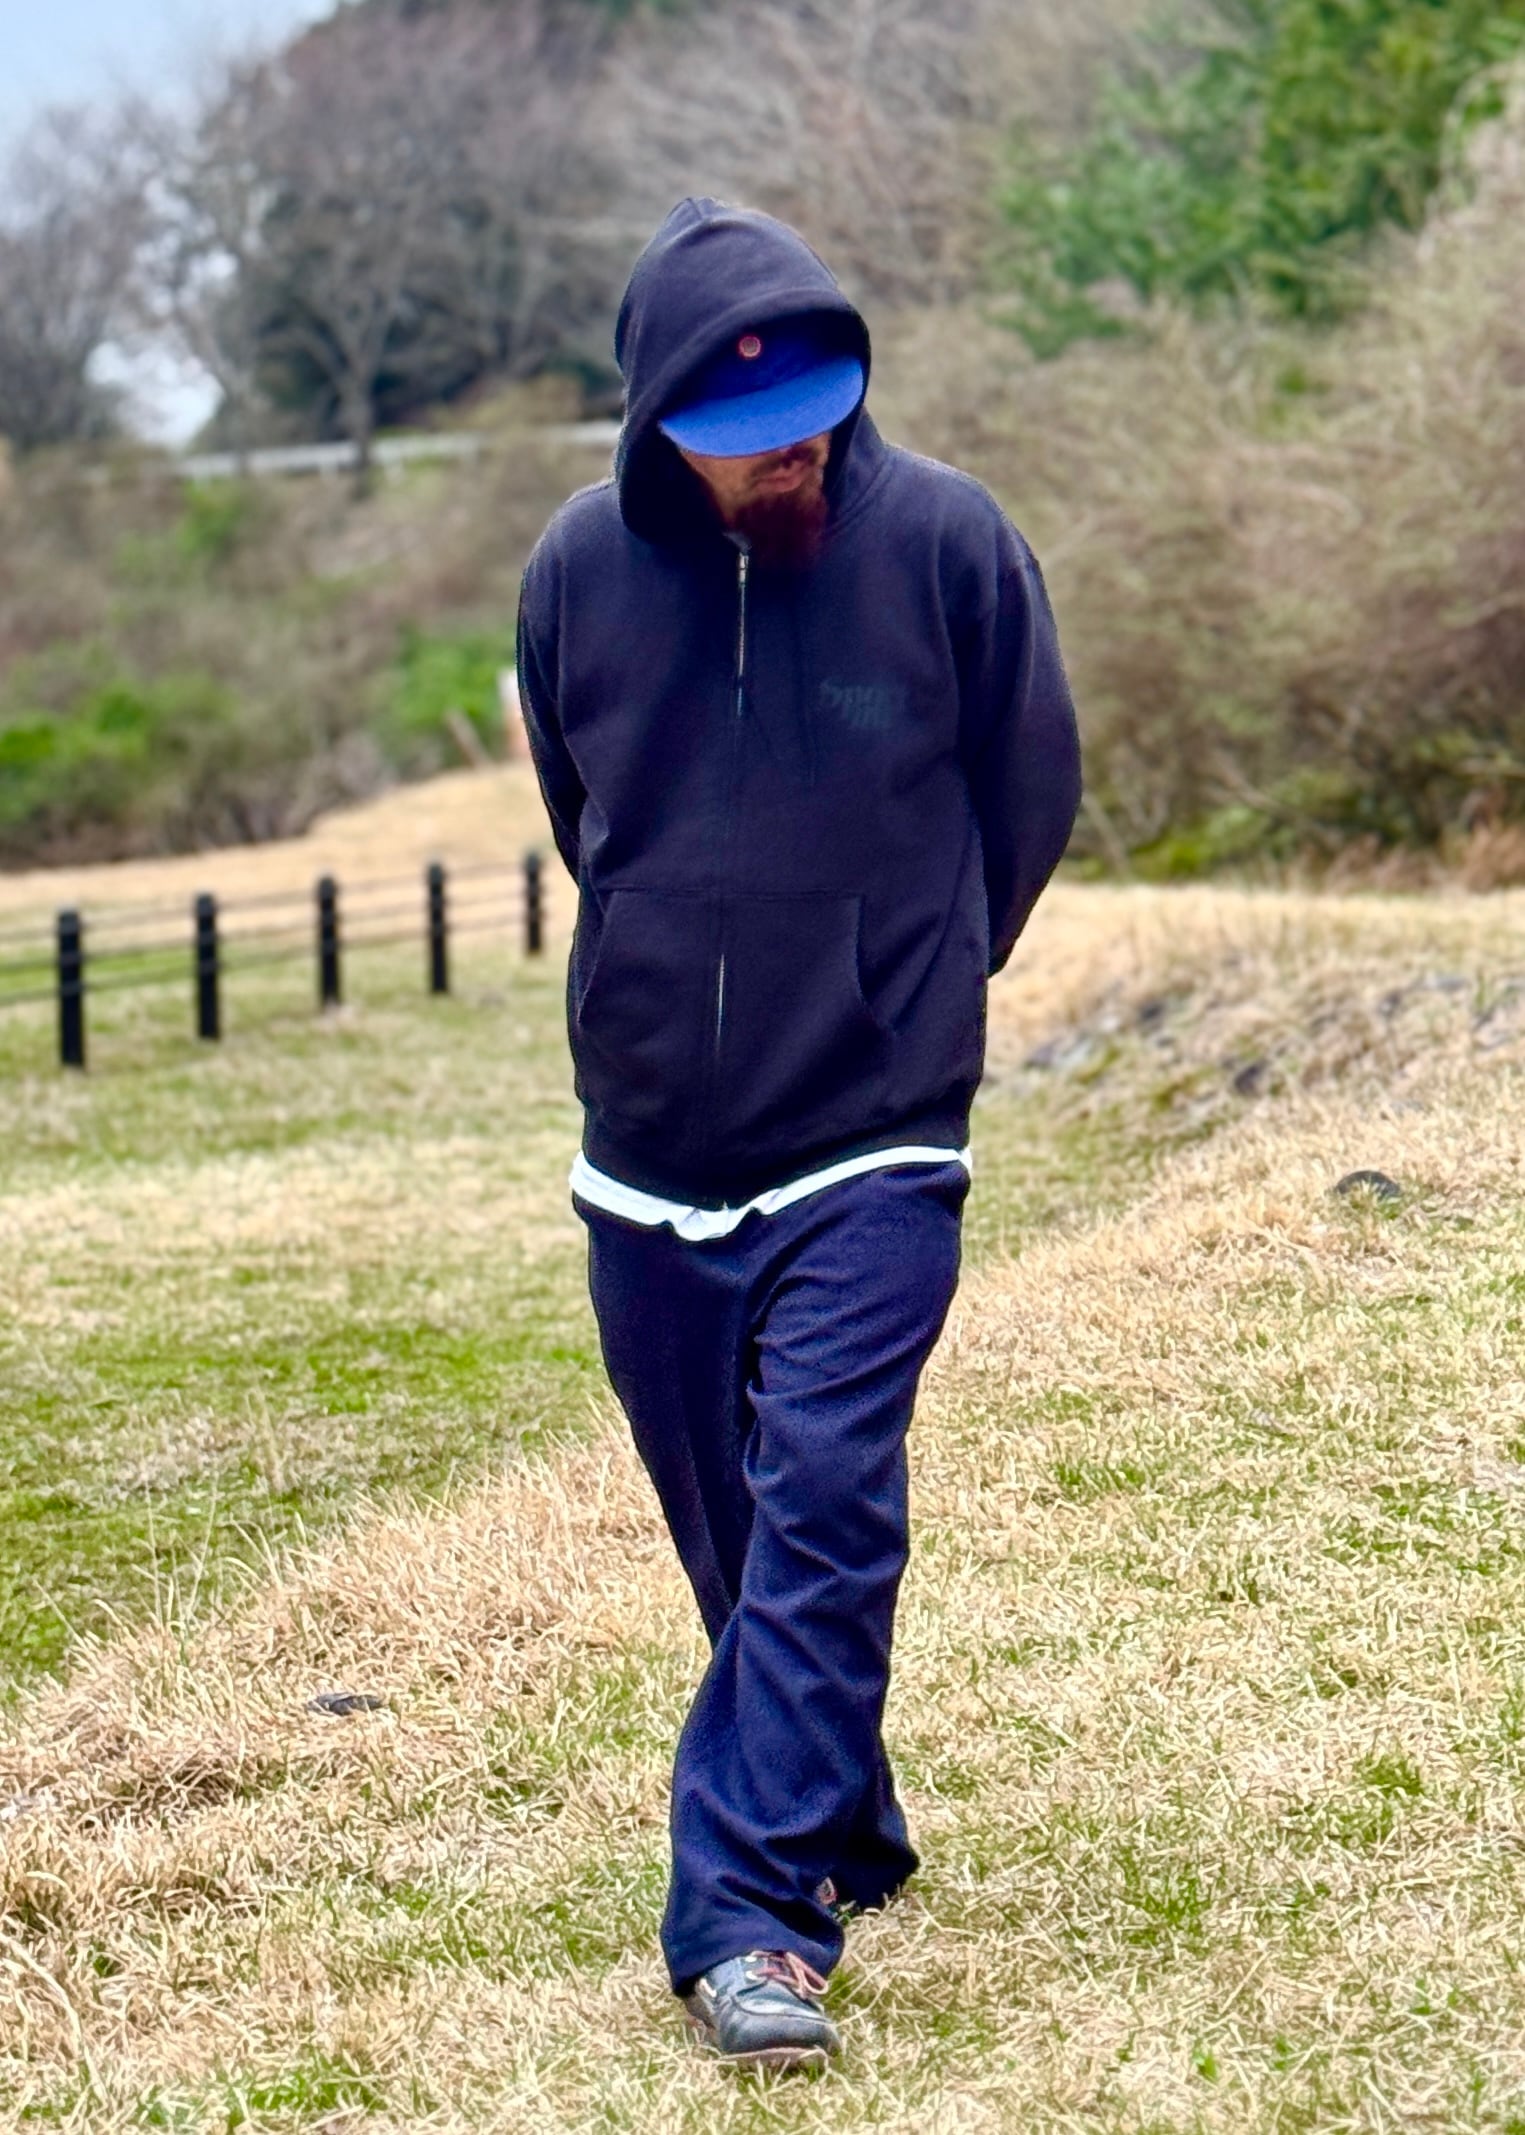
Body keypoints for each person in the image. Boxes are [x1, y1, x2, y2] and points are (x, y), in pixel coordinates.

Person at [516, 197, 1082, 2069]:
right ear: (657, 428)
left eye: (813, 422)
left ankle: (750, 1920)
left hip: (871, 1134)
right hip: (649, 1153)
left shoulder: (947, 542)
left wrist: (904, 989)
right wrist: (653, 971)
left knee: (829, 1499)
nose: (792, 458)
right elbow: (585, 811)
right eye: (747, 436)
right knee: (743, 1542)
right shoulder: (576, 569)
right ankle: (835, 1813)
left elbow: (1025, 791)